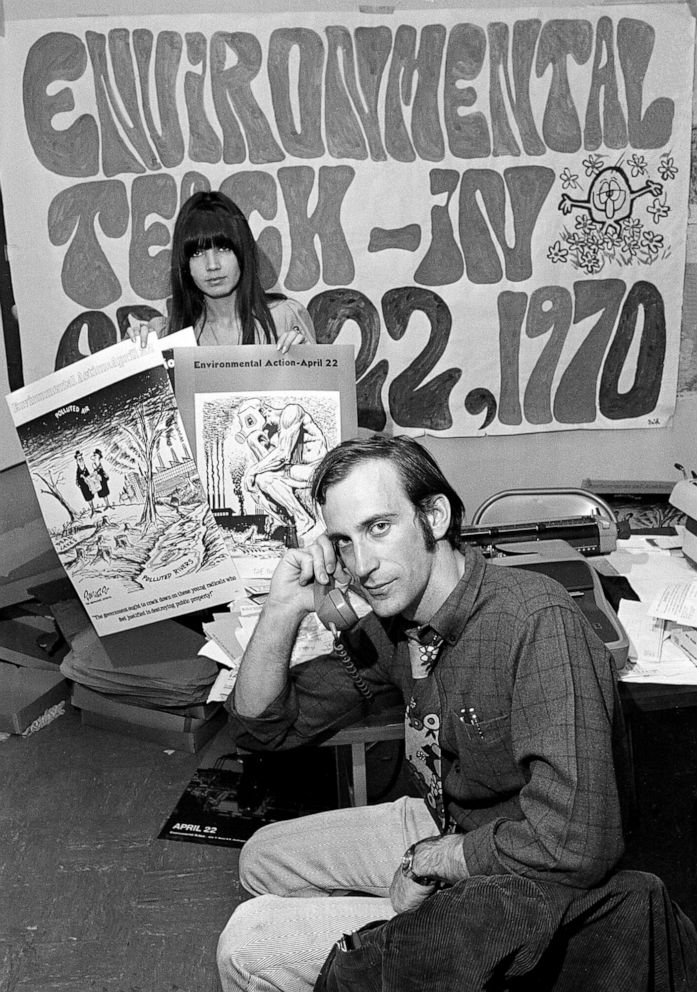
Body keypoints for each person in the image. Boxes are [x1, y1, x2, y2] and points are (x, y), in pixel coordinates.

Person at [216, 434, 636, 991]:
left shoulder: (536, 622)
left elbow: (576, 843)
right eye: (343, 541)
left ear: (434, 516)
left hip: (520, 879)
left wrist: (430, 863)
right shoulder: (402, 623)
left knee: (248, 943)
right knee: (260, 856)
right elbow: (261, 728)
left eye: (378, 528)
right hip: (453, 820)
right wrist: (283, 606)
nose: (361, 566)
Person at [127, 190, 315, 353]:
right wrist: (133, 356)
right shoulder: (166, 336)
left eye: (223, 249)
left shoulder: (284, 316)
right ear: (184, 264)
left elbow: (329, 392)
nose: (212, 265)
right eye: (197, 252)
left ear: (242, 251)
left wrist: (311, 362)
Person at [237, 398, 329, 538]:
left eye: (250, 420)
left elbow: (283, 455)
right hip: (296, 473)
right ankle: (294, 522)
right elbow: (271, 468)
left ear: (263, 411)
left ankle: (304, 521)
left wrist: (252, 471)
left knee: (260, 476)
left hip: (316, 470)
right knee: (261, 480)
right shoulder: (271, 436)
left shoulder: (291, 412)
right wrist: (254, 442)